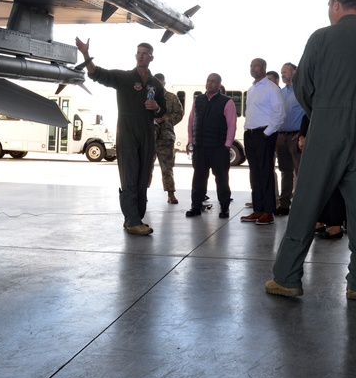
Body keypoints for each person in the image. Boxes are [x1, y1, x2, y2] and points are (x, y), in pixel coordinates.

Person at [265, 0, 356, 299]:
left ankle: (288, 277)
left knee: (307, 202)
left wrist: (323, 113)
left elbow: (302, 86)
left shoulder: (322, 37)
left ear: (336, 4)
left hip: (328, 125)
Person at [75, 38, 167, 236]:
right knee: (129, 176)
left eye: (145, 53)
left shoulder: (156, 85)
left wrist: (156, 107)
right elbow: (97, 73)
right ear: (136, 56)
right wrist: (85, 54)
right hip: (127, 131)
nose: (141, 56)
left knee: (144, 177)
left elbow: (163, 113)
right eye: (138, 52)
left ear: (151, 57)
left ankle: (136, 218)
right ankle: (132, 219)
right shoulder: (124, 78)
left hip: (147, 133)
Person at [186, 73, 237, 219]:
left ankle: (224, 208)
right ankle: (196, 206)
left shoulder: (227, 102)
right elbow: (191, 120)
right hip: (200, 147)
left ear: (219, 85)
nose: (209, 83)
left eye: (213, 81)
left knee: (221, 179)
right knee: (198, 179)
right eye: (208, 80)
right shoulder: (198, 100)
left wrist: (227, 145)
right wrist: (191, 140)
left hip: (218, 148)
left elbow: (232, 125)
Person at [240, 58, 284, 226]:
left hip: (263, 134)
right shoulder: (252, 89)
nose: (253, 68)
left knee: (265, 172)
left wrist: (266, 134)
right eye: (251, 65)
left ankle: (269, 212)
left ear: (264, 68)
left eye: (257, 65)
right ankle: (258, 209)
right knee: (255, 173)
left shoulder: (271, 88)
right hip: (250, 134)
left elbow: (280, 113)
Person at [274, 62, 304, 216]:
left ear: (294, 72)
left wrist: (303, 133)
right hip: (281, 136)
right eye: (281, 72)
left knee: (300, 172)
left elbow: (308, 114)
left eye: (285, 71)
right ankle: (284, 204)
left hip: (295, 137)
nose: (283, 74)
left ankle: (301, 206)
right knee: (285, 171)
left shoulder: (301, 91)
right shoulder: (281, 92)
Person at [150, 73, 184, 204]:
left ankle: (171, 194)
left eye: (160, 83)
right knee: (146, 168)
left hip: (166, 137)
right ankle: (143, 193)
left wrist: (165, 119)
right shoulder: (148, 97)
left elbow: (179, 114)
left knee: (167, 168)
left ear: (164, 83)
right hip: (149, 137)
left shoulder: (171, 97)